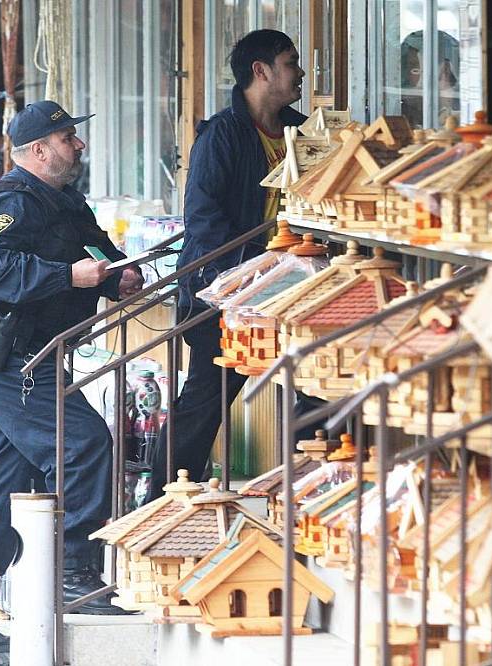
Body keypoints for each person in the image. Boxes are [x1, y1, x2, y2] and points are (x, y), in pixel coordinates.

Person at [0, 100, 144, 657]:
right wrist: (68, 276)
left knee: (1, 477)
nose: (78, 146)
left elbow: (93, 250)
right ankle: (74, 569)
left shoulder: (64, 201)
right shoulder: (10, 200)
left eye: (74, 136)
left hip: (28, 354)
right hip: (7, 355)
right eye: (67, 138)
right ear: (36, 150)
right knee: (84, 443)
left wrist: (115, 276)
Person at [145, 29, 309, 501]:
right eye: (290, 62)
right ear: (261, 72)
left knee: (319, 388)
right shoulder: (222, 134)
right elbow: (202, 219)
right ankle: (161, 501)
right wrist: (250, 272)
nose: (299, 72)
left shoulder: (303, 132)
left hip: (295, 288)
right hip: (228, 290)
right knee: (206, 400)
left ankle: (306, 497)